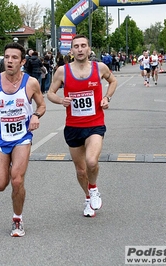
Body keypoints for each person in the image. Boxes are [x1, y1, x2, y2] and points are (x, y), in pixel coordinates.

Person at [0, 42, 46, 237]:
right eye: (7, 57)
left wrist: (35, 115)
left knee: (17, 181)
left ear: (22, 61)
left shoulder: (31, 82)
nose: (9, 61)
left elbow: (41, 106)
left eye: (14, 58)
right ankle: (8, 166)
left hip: (21, 137)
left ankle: (17, 219)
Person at [47, 34, 117, 218]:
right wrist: (61, 100)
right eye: (76, 46)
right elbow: (50, 93)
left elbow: (113, 81)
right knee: (80, 170)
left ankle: (93, 188)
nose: (79, 49)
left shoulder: (99, 67)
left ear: (88, 49)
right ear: (71, 50)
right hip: (73, 126)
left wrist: (106, 97)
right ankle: (88, 198)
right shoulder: (62, 71)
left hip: (95, 123)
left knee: (91, 162)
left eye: (83, 45)